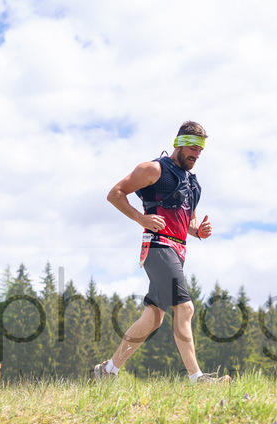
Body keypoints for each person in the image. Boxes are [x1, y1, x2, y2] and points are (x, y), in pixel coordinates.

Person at [93, 121, 229, 383]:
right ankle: (197, 379)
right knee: (185, 308)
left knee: (153, 318)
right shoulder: (153, 169)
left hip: (178, 251)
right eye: (193, 148)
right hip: (157, 246)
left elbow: (188, 223)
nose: (197, 154)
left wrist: (198, 231)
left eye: (201, 150)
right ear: (179, 143)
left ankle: (108, 371)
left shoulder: (193, 183)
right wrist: (140, 218)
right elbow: (115, 193)